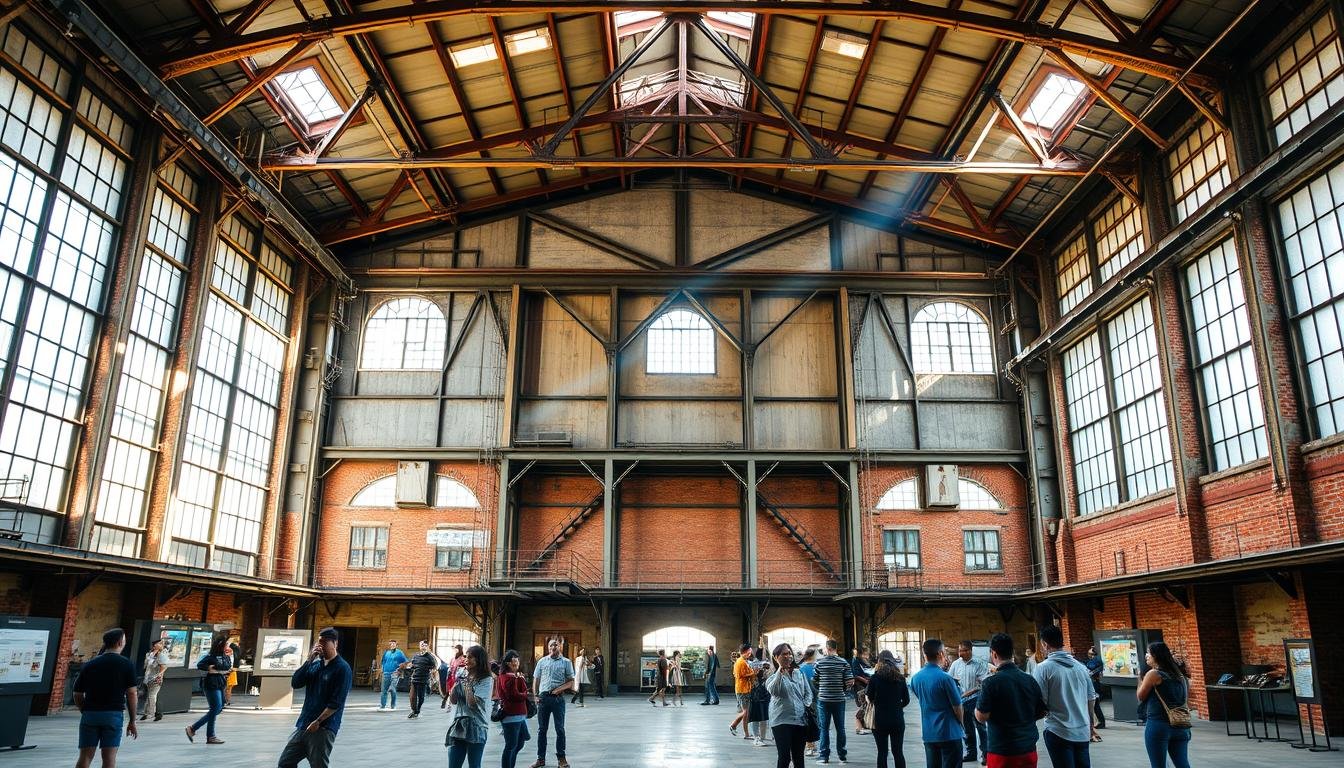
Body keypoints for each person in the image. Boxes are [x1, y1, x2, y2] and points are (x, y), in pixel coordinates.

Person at [278, 626, 353, 768]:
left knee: (318, 765)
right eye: (319, 642)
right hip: (304, 724)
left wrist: (318, 721)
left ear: (335, 644)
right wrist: (309, 660)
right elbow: (296, 682)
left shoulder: (342, 668)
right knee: (285, 763)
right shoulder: (316, 665)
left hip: (323, 728)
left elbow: (336, 702)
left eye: (324, 642)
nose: (321, 646)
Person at [974, 633, 1045, 768]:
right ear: (1012, 653)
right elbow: (1041, 712)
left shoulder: (990, 683)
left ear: (993, 654)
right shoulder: (1030, 680)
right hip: (1028, 748)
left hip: (1002, 751)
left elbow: (981, 717)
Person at [1031, 626, 1097, 768]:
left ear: (1045, 645)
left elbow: (1040, 701)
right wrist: (1090, 723)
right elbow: (1091, 697)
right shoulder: (1080, 667)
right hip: (1082, 731)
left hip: (1058, 731)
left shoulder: (1043, 668)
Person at [74, 627, 138, 768]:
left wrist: (84, 710)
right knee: (109, 758)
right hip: (113, 715)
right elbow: (132, 693)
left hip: (90, 714)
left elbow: (77, 693)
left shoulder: (90, 664)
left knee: (85, 756)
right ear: (120, 642)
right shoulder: (126, 664)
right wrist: (133, 720)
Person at [909, 639, 965, 768]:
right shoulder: (945, 678)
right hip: (949, 732)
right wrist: (961, 724)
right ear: (940, 654)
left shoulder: (915, 678)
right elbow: (957, 707)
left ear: (925, 655)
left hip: (929, 733)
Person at [1136, 642, 1191, 768]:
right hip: (1181, 725)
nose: (1146, 656)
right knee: (1182, 763)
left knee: (1158, 765)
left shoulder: (1154, 674)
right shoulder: (1180, 675)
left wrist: (1140, 677)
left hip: (1159, 725)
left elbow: (1140, 696)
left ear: (1156, 656)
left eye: (1148, 653)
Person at [447, 644, 494, 768]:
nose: (466, 660)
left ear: (479, 660)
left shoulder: (486, 680)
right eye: (466, 657)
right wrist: (455, 686)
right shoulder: (462, 673)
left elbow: (472, 704)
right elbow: (453, 700)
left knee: (474, 765)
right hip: (459, 724)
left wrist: (467, 684)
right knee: (453, 764)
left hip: (477, 726)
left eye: (470, 657)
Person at [766, 643, 812, 768]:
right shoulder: (771, 678)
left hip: (800, 721)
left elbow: (808, 693)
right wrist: (780, 670)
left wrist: (805, 706)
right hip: (781, 721)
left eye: (789, 653)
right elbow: (774, 690)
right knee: (784, 757)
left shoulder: (799, 673)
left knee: (799, 758)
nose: (788, 656)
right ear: (776, 657)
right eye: (784, 654)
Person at [530, 637, 574, 768]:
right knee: (542, 730)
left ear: (559, 646)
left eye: (555, 645)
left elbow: (571, 681)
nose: (552, 648)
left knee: (559, 729)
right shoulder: (542, 661)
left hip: (558, 699)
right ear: (548, 647)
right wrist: (536, 695)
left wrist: (558, 689)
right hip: (543, 699)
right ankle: (540, 759)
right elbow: (536, 679)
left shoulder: (566, 662)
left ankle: (561, 759)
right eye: (550, 646)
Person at [865, 650, 910, 768]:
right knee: (898, 752)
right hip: (897, 719)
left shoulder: (875, 678)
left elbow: (869, 698)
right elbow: (906, 700)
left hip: (880, 720)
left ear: (879, 661)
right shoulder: (900, 678)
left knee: (882, 752)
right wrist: (896, 707)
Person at [814, 638, 854, 764]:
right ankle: (842, 756)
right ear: (836, 648)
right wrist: (842, 690)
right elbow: (850, 682)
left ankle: (824, 756)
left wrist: (822, 688)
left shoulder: (820, 662)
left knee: (824, 728)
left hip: (824, 699)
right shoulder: (844, 663)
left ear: (827, 648)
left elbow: (814, 680)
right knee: (840, 728)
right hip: (839, 700)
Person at [185, 634, 230, 744]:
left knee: (217, 709)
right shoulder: (211, 656)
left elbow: (227, 666)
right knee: (216, 708)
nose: (227, 646)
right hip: (211, 683)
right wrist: (209, 668)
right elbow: (200, 665)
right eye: (226, 644)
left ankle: (206, 734)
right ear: (221, 645)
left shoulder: (225, 656)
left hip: (220, 683)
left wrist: (220, 670)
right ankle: (196, 730)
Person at [949, 640, 990, 764]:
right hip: (961, 701)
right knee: (967, 728)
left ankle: (985, 754)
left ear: (970, 651)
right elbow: (950, 680)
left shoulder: (979, 664)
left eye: (963, 651)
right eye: (959, 650)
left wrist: (972, 691)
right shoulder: (956, 664)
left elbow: (984, 682)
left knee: (981, 727)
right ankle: (971, 753)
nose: (960, 653)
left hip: (976, 699)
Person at [497, 650, 532, 768]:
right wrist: (525, 694)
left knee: (519, 743)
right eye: (514, 660)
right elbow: (514, 695)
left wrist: (520, 681)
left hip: (519, 715)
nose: (517, 662)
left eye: (518, 659)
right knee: (511, 745)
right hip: (512, 715)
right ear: (508, 663)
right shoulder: (508, 677)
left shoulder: (511, 676)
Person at [404, 640, 441, 719]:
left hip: (423, 679)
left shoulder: (430, 657)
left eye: (425, 645)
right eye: (422, 645)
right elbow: (413, 665)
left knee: (421, 697)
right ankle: (414, 710)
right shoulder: (416, 656)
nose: (423, 646)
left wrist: (432, 672)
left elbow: (434, 667)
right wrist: (409, 667)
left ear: (427, 647)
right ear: (419, 646)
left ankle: (417, 710)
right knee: (412, 697)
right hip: (414, 679)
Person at [749, 649, 774, 747]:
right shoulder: (754, 664)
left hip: (762, 693)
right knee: (757, 716)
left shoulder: (767, 665)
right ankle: (757, 737)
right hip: (757, 694)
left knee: (763, 717)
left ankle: (761, 737)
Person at [731, 643, 756, 739]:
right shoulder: (740, 662)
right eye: (749, 652)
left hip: (744, 689)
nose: (750, 654)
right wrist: (753, 672)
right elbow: (739, 675)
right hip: (742, 690)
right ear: (744, 652)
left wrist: (752, 672)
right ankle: (736, 727)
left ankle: (736, 727)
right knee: (745, 712)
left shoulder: (743, 661)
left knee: (746, 712)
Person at [799, 647, 820, 757]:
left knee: (810, 722)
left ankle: (811, 745)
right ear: (813, 655)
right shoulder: (816, 667)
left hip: (806, 699)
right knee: (814, 722)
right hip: (816, 699)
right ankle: (811, 745)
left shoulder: (801, 668)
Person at [140, 638, 167, 723]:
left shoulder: (161, 655)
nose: (161, 645)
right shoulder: (149, 654)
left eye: (161, 644)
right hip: (147, 678)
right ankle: (147, 713)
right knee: (149, 696)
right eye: (159, 643)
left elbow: (164, 667)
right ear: (155, 645)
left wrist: (160, 676)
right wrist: (150, 658)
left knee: (152, 695)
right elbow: (145, 666)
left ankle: (151, 713)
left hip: (155, 678)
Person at [378, 639, 407, 711]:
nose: (392, 645)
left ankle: (393, 705)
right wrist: (382, 669)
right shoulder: (386, 653)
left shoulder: (399, 653)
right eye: (390, 644)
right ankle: (382, 706)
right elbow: (383, 662)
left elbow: (405, 661)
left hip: (395, 673)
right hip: (386, 673)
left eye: (393, 644)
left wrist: (400, 669)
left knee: (392, 689)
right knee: (384, 690)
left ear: (396, 645)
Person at [1082, 647, 1106, 730]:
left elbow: (1091, 668)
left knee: (1095, 705)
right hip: (1094, 683)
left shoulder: (1095, 661)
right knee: (1095, 705)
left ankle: (1101, 721)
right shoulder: (1095, 661)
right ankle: (1099, 721)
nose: (1089, 656)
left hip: (1095, 684)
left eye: (1091, 654)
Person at [852, 646, 872, 736]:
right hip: (860, 685)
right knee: (863, 704)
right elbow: (856, 675)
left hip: (865, 684)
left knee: (866, 704)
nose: (866, 656)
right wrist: (865, 680)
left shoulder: (862, 661)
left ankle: (863, 726)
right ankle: (859, 727)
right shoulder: (856, 661)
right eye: (865, 654)